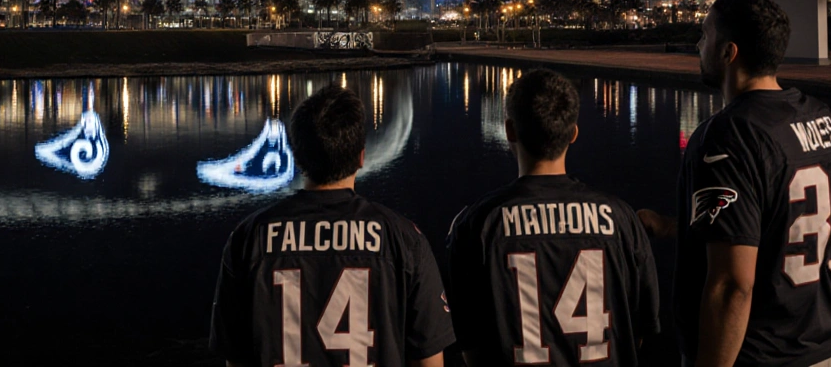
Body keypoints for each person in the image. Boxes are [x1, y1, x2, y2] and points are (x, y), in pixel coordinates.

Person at [643, 0, 831, 366]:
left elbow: (732, 285)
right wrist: (674, 226)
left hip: (763, 352)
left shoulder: (730, 134)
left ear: (728, 53)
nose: (698, 44)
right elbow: (775, 220)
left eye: (705, 36)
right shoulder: (826, 119)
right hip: (828, 345)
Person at [209, 85, 455, 367]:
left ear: (297, 156)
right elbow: (430, 360)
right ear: (361, 157)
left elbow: (236, 359)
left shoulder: (248, 238)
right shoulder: (404, 240)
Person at [446, 68, 660, 366]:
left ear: (509, 130)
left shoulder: (478, 225)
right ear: (573, 132)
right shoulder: (621, 219)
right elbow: (639, 331)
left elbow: (471, 347)